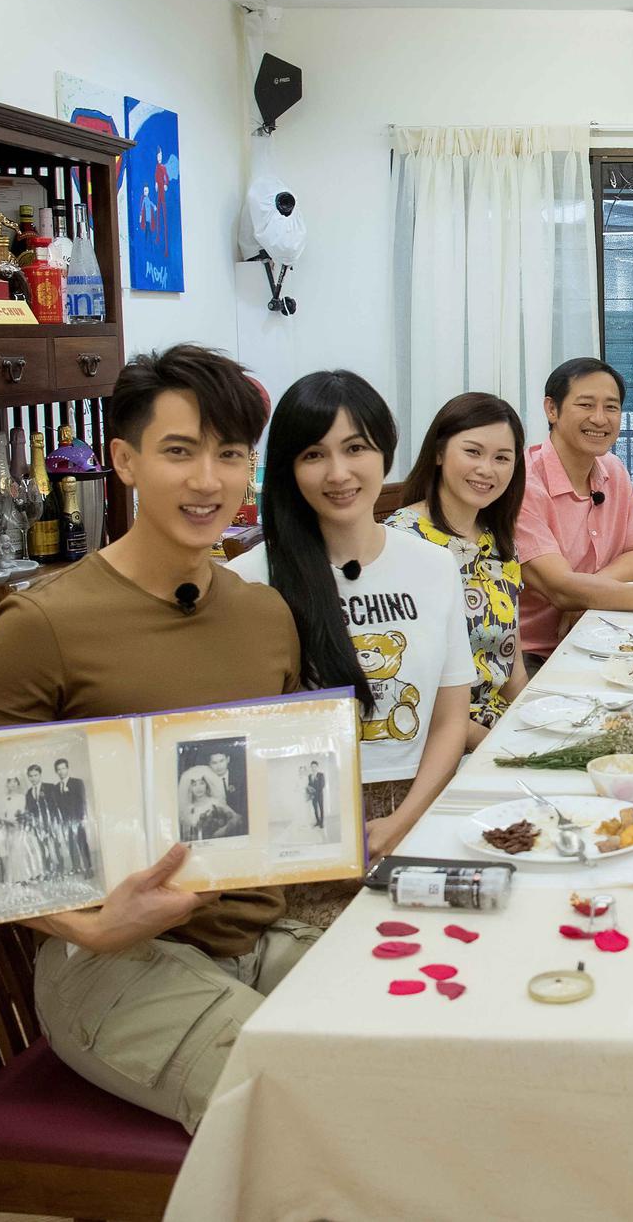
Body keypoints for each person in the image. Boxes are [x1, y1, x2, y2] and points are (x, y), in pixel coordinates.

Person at [0, 343, 312, 1132]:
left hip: (255, 936)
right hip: (108, 961)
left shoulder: (264, 614)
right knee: (293, 1101)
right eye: (179, 451)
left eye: (230, 453)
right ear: (124, 460)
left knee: (408, 1057)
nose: (207, 480)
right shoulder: (43, 622)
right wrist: (88, 925)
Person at [230, 371, 472, 914]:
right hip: (298, 828)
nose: (338, 473)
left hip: (420, 809)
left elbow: (450, 718)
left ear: (385, 451)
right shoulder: (249, 580)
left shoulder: (434, 566)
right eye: (314, 455)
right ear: (290, 468)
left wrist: (401, 821)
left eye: (355, 448)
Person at [515, 357, 633, 662]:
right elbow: (560, 588)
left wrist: (586, 599)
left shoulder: (613, 469)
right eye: (585, 405)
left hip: (609, 639)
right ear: (552, 409)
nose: (599, 418)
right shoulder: (522, 482)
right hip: (536, 657)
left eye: (611, 407)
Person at [387, 392, 529, 750]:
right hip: (435, 737)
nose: (487, 469)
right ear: (438, 453)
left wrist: (538, 726)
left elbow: (511, 666)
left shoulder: (500, 543)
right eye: (473, 452)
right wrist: (498, 748)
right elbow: (404, 681)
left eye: (502, 458)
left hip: (497, 728)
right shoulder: (401, 541)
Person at [52, 757, 93, 876]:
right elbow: (57, 806)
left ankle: (88, 868)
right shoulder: (56, 787)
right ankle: (76, 867)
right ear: (56, 771)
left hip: (77, 819)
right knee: (70, 844)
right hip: (65, 821)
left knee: (82, 842)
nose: (61, 771)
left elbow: (82, 801)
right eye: (59, 769)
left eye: (63, 768)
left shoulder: (77, 782)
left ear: (67, 768)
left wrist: (81, 818)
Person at [1, 775, 44, 886]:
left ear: (18, 783)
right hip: (12, 828)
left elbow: (27, 811)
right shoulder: (4, 799)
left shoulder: (23, 797)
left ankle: (31, 875)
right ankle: (19, 878)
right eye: (10, 782)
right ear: (7, 785)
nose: (13, 784)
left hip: (23, 827)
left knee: (27, 850)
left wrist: (24, 820)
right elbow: (3, 816)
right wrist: (9, 822)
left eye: (15, 781)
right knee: (15, 852)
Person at [306, 759, 326, 830]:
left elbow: (322, 785)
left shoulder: (321, 775)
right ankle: (317, 821)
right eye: (312, 767)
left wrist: (315, 790)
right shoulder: (309, 776)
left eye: (314, 766)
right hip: (313, 796)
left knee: (321, 808)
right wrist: (309, 790)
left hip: (319, 795)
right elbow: (309, 785)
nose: (313, 768)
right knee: (315, 809)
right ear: (311, 767)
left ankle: (321, 823)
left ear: (317, 767)